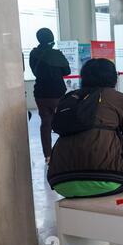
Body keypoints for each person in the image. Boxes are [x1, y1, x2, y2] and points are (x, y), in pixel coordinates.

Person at [47, 58, 123, 198]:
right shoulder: (117, 98)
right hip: (107, 179)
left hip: (61, 182)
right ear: (113, 77)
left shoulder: (70, 98)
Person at [30, 28, 71, 164]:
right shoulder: (56, 54)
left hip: (40, 94)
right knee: (62, 122)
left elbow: (35, 72)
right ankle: (64, 153)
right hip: (57, 93)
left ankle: (48, 156)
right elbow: (67, 71)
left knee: (45, 123)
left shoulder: (33, 53)